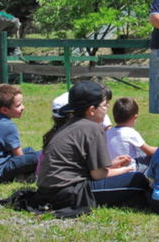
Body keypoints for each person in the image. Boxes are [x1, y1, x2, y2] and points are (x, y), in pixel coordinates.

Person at [35, 81, 150, 218]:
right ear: (91, 110)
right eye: (104, 105)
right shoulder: (93, 128)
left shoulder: (71, 124)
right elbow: (98, 175)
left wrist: (112, 164)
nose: (107, 108)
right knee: (139, 179)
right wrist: (125, 170)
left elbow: (82, 166)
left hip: (49, 190)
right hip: (69, 193)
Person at [106, 97, 157, 172]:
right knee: (149, 157)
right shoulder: (131, 132)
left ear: (114, 116)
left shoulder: (108, 132)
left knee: (139, 149)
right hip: (130, 170)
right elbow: (149, 151)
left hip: (113, 168)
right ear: (135, 117)